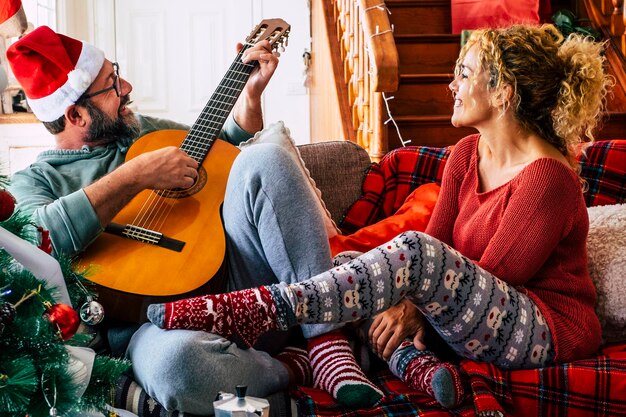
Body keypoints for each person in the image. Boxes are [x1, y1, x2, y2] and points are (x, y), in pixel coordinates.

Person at [145, 23, 612, 409]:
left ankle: (266, 307)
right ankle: (404, 364)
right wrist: (396, 301)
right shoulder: (468, 154)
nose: (452, 85)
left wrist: (409, 304)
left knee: (412, 256)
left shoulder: (547, 177)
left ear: (504, 92)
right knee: (356, 269)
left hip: (541, 328)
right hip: (464, 315)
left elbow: (490, 275)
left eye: (464, 74)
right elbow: (441, 243)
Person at [6, 25, 386, 415]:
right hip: (149, 326)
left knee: (265, 157)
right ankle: (295, 365)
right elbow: (36, 240)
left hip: (240, 286)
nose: (128, 86)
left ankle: (326, 341)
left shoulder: (144, 130)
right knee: (177, 370)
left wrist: (251, 95)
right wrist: (135, 175)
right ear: (76, 114)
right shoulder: (34, 180)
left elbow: (225, 147)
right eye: (112, 83)